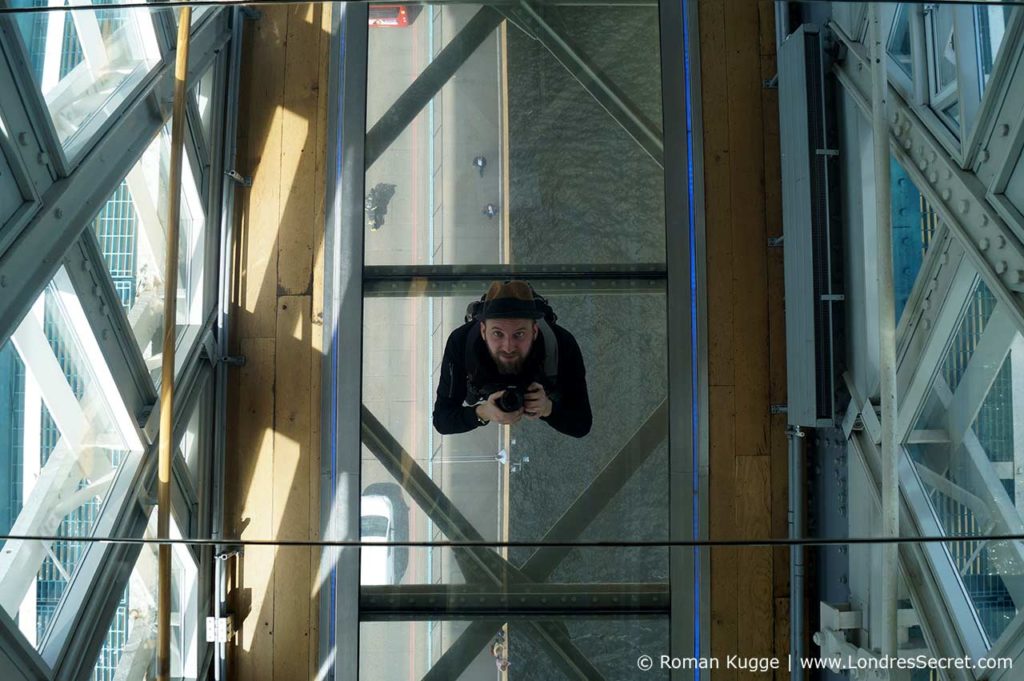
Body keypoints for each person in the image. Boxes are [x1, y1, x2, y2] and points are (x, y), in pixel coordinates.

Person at [432, 280, 592, 438]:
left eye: (519, 334)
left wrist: (547, 408)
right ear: (482, 330)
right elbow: (442, 420)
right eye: (497, 333)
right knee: (470, 394)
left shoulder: (562, 344)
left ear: (534, 331)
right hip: (484, 377)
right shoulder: (461, 342)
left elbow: (582, 424)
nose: (508, 347)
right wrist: (483, 412)